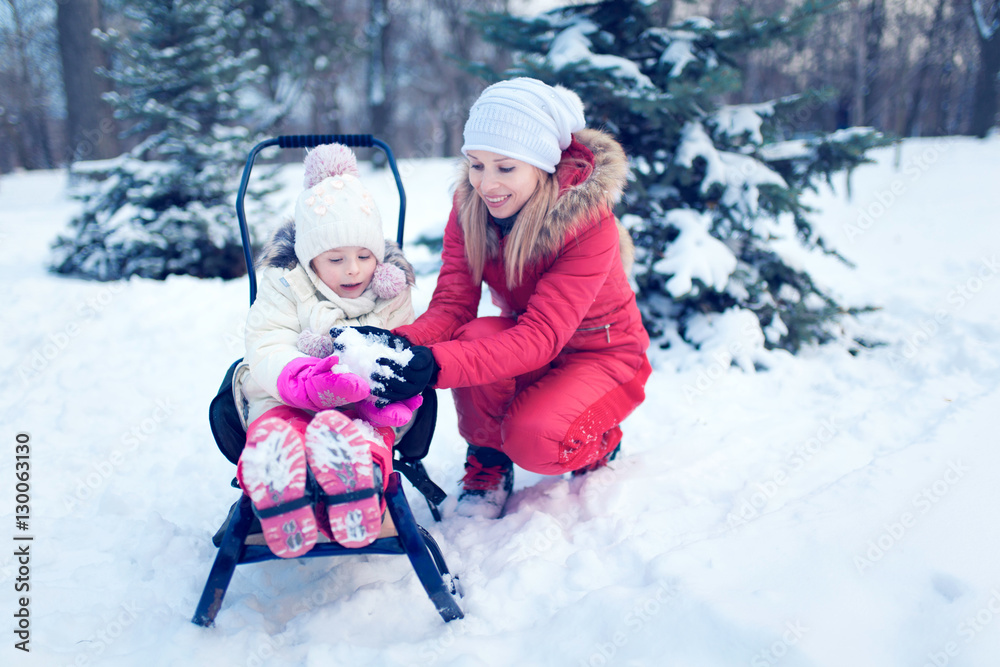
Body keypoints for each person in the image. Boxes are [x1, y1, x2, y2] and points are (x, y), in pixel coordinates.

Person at [376, 77, 652, 518]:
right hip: (534, 341)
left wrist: (434, 367)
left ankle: (601, 439)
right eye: (476, 164)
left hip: (601, 355)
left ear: (542, 165)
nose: (486, 184)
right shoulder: (469, 206)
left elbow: (542, 335)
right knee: (473, 335)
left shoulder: (588, 223)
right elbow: (452, 305)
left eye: (505, 168)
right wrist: (400, 346)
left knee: (534, 439)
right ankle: (488, 461)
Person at [230, 143, 422, 558]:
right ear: (308, 259)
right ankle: (280, 477)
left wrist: (380, 395)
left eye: (364, 256)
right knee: (276, 421)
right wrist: (302, 378)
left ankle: (356, 480)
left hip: (362, 408)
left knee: (367, 432)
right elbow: (266, 342)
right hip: (289, 395)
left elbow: (400, 350)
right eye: (335, 259)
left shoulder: (389, 291)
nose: (352, 269)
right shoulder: (287, 284)